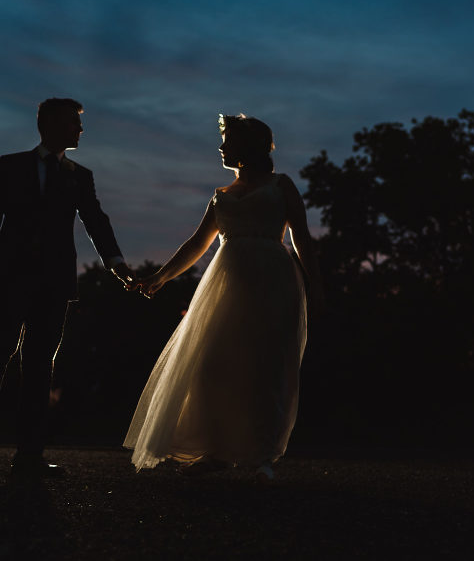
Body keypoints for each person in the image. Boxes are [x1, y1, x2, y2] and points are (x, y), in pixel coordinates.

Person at [124, 114, 324, 481]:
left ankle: (260, 454)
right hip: (225, 285)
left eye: (228, 142)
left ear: (248, 148)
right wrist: (160, 277)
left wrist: (317, 285)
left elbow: (303, 240)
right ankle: (214, 447)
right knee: (212, 364)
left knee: (266, 367)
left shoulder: (282, 186)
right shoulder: (221, 195)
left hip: (274, 280)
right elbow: (197, 244)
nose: (221, 148)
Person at [0, 97, 135, 477]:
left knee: (40, 365)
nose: (80, 129)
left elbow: (96, 221)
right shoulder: (11, 166)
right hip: (9, 279)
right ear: (50, 125)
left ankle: (29, 455)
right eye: (74, 122)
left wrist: (117, 264)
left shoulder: (80, 175)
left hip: (55, 284)